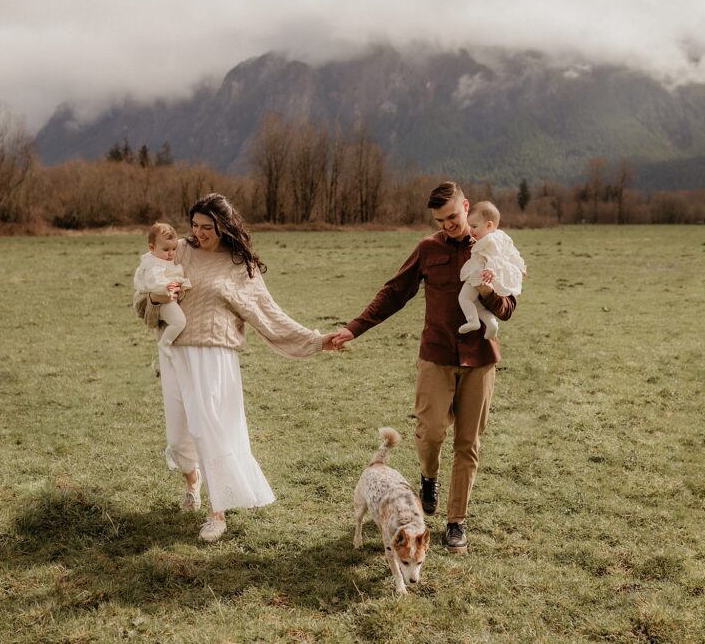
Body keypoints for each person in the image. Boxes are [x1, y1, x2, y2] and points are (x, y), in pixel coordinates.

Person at [134, 194, 337, 542]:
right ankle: (192, 481)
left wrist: (317, 340)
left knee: (208, 428)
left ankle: (218, 513)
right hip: (175, 354)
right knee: (180, 435)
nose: (198, 233)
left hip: (214, 358)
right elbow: (140, 301)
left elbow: (269, 314)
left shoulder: (239, 265)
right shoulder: (177, 251)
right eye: (194, 225)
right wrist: (156, 297)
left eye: (207, 227)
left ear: (224, 227)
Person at [329, 181, 517, 554]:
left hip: (480, 359)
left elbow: (508, 310)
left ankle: (455, 522)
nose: (447, 224)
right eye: (439, 219)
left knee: (468, 444)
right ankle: (428, 477)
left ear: (466, 207)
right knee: (430, 432)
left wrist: (488, 291)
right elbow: (396, 291)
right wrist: (354, 328)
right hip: (436, 355)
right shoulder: (428, 249)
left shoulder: (493, 248)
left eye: (452, 217)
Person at [457, 201, 526, 340]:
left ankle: (473, 321)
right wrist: (521, 267)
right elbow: (513, 253)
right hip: (490, 276)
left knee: (464, 298)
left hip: (482, 275)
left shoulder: (490, 240)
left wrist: (490, 270)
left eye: (474, 226)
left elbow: (494, 258)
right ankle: (491, 324)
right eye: (470, 226)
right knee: (477, 304)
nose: (471, 230)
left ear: (489, 225)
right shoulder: (501, 236)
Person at [133, 222, 193, 359]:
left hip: (166, 295)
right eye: (166, 250)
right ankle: (165, 342)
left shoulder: (161, 258)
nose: (171, 253)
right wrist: (168, 286)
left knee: (178, 320)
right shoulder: (153, 264)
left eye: (174, 249)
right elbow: (154, 281)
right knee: (179, 322)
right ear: (151, 247)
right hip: (161, 298)